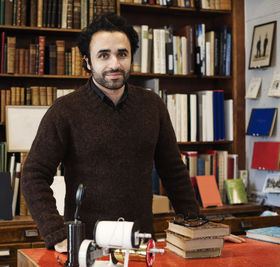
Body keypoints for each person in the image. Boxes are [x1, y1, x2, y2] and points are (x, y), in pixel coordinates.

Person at [21, 13, 240, 252]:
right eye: (103, 55)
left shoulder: (152, 105)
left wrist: (197, 227)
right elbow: (33, 175)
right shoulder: (64, 111)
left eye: (122, 54)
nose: (114, 64)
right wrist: (56, 234)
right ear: (87, 62)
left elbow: (173, 171)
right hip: (86, 248)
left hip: (142, 244)